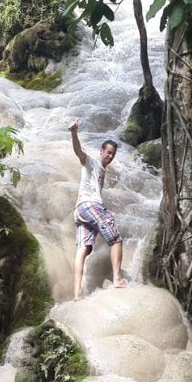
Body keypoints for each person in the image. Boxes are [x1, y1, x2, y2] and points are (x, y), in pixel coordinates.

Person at [68, 119, 126, 299]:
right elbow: (79, 152)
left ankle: (77, 292)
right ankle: (117, 279)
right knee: (116, 239)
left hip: (80, 211)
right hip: (90, 205)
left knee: (83, 249)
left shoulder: (102, 170)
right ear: (101, 151)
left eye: (113, 154)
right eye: (108, 152)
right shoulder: (91, 162)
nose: (110, 156)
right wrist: (74, 132)